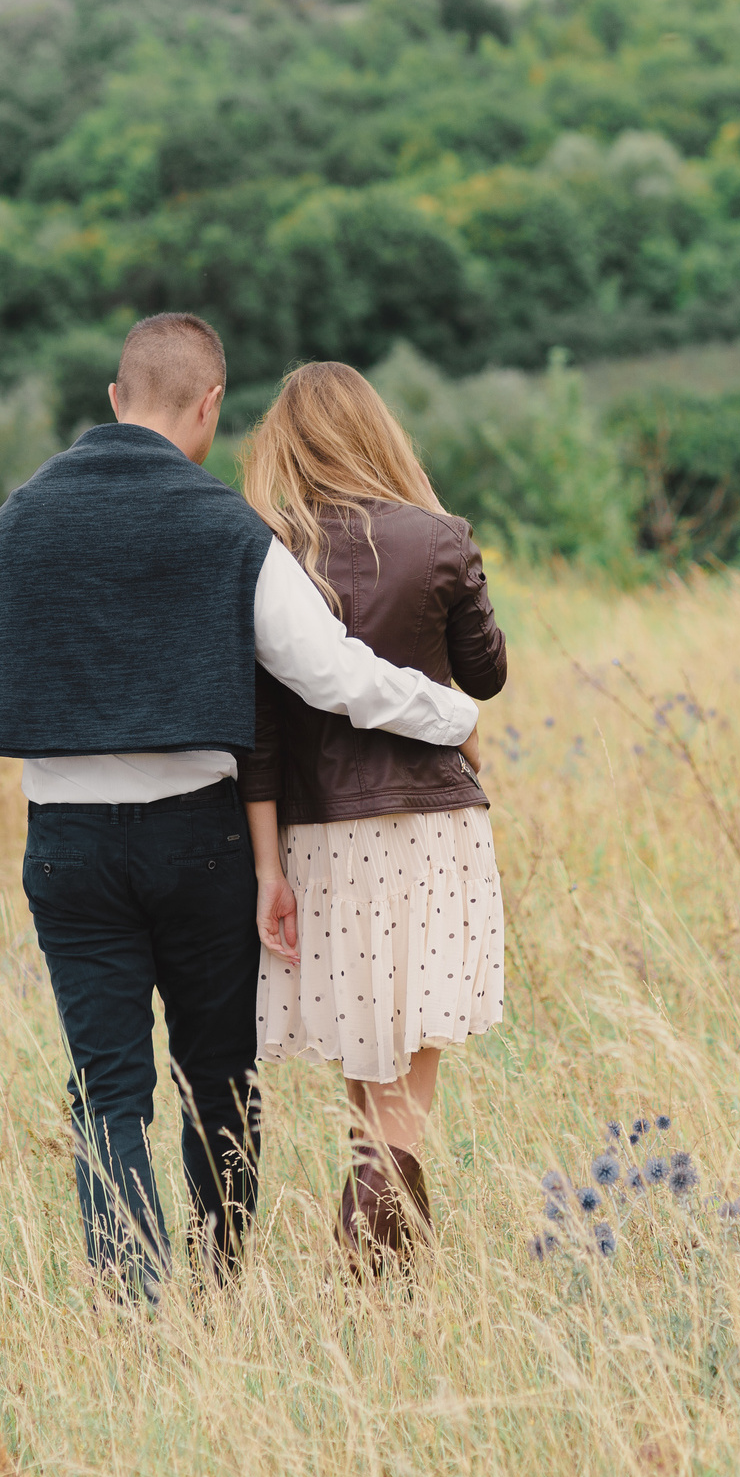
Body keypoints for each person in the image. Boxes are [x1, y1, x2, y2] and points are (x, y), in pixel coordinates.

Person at [0, 313, 479, 1295]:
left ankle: (137, 1307)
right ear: (211, 407)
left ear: (114, 399)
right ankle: (215, 1294)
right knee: (219, 1084)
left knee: (109, 1092)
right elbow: (333, 677)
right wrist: (449, 711)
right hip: (200, 845)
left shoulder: (15, 524)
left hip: (70, 852)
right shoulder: (227, 527)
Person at [238, 361, 508, 1273]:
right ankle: (380, 1275)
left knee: (370, 1075)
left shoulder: (269, 556)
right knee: (403, 1089)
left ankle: (380, 1274)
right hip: (428, 828)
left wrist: (266, 866)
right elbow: (487, 673)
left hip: (316, 838)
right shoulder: (438, 538)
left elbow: (261, 735)